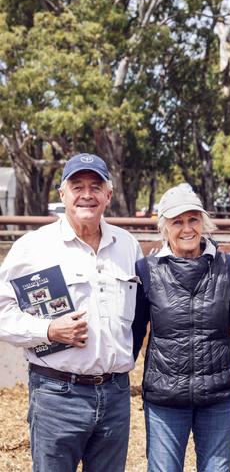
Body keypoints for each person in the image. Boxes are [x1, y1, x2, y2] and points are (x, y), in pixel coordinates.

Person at [0, 153, 142, 472]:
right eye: (77, 185)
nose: (87, 194)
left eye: (96, 186)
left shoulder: (127, 246)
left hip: (115, 393)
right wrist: (48, 331)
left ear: (109, 193)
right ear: (62, 194)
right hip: (56, 396)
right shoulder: (33, 247)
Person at [131, 184, 230, 472]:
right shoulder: (147, 270)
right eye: (177, 222)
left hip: (218, 397)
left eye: (193, 219)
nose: (187, 228)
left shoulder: (227, 266)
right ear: (164, 227)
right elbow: (134, 333)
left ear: (203, 222)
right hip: (165, 399)